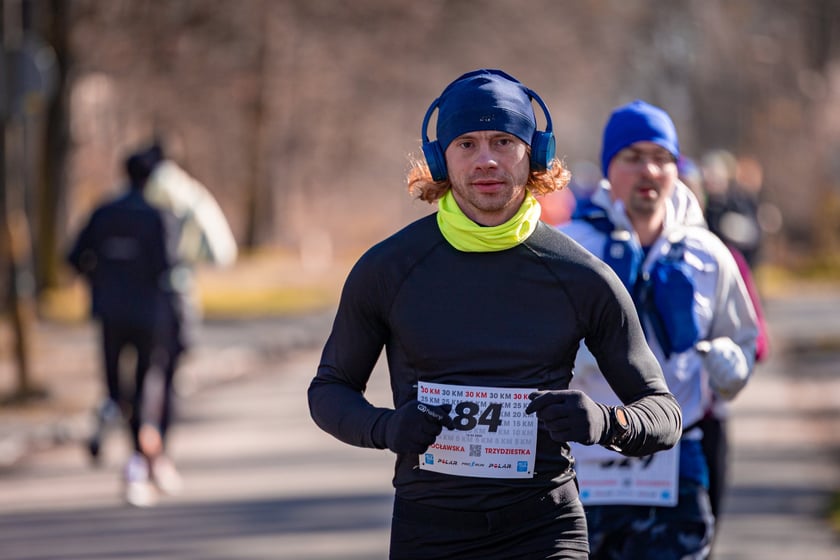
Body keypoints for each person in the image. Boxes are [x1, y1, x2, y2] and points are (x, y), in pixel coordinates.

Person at [307, 69, 682, 560]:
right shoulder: (388, 269)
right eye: (466, 143)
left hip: (546, 528)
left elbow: (663, 412)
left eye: (503, 141)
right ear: (441, 158)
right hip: (431, 529)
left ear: (535, 155)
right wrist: (386, 428)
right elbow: (329, 390)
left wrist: (606, 422)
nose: (486, 159)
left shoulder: (581, 275)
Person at [560, 100, 760, 558]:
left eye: (662, 157)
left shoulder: (708, 254)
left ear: (676, 168)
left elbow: (744, 336)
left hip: (675, 462)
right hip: (582, 459)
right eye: (633, 157)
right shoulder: (569, 248)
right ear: (610, 167)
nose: (649, 169)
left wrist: (735, 366)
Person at [67, 148, 183, 507]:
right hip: (148, 316)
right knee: (148, 387)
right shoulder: (157, 217)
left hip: (109, 313)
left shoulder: (102, 212)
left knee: (117, 388)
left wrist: (99, 279)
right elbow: (167, 267)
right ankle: (139, 465)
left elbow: (73, 257)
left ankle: (110, 419)